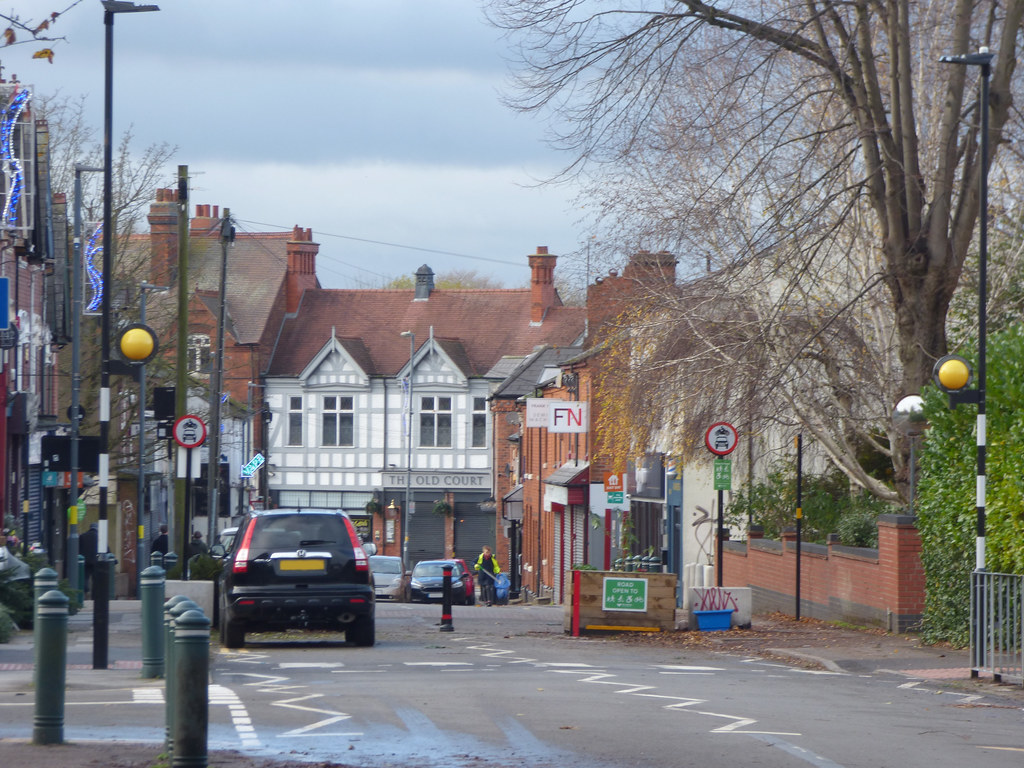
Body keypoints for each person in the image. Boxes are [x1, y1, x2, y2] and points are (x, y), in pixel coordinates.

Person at [79, 523, 98, 596]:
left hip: (85, 560)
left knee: (85, 577)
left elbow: (79, 549)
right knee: (95, 578)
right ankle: (94, 594)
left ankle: (85, 591)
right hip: (95, 560)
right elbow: (105, 548)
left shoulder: (83, 536)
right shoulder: (99, 536)